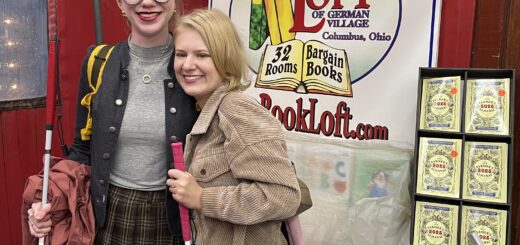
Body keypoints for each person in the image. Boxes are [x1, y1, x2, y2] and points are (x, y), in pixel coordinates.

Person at [27, 0, 198, 244]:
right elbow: (82, 149)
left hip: (175, 218)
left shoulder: (197, 65)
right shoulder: (97, 63)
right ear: (119, 3)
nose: (147, 2)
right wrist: (50, 205)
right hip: (108, 214)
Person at [166, 9, 301, 245]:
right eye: (181, 54)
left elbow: (284, 195)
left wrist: (201, 198)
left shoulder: (235, 108)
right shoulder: (208, 109)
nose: (187, 65)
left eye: (202, 55)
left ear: (224, 58)